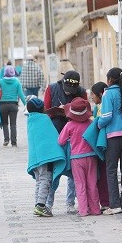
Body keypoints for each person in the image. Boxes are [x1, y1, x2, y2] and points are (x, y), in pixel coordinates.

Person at [44, 70, 87, 214]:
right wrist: (57, 111)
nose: (68, 93)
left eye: (71, 91)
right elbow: (45, 110)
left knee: (74, 173)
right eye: (66, 89)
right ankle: (48, 204)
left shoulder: (81, 92)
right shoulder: (52, 88)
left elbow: (86, 112)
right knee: (53, 171)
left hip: (74, 138)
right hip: (55, 136)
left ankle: (70, 203)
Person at [97, 67, 122, 215]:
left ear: (110, 80)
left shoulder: (108, 94)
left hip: (113, 137)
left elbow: (106, 116)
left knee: (111, 171)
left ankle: (115, 205)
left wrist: (98, 124)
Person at [58, 98, 101, 217]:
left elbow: (61, 141)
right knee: (92, 184)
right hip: (92, 156)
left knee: (80, 184)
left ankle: (83, 210)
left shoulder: (69, 125)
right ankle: (95, 209)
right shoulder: (91, 123)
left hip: (76, 158)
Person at [26, 98, 66, 217]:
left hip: (35, 157)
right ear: (40, 109)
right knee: (45, 180)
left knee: (39, 180)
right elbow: (51, 136)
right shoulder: (44, 118)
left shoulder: (30, 120)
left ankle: (37, 204)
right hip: (46, 156)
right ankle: (41, 205)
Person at [0, 67, 26, 147]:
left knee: (5, 123)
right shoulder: (17, 82)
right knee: (13, 124)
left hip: (3, 105)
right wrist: (26, 105)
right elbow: (21, 94)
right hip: (14, 105)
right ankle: (14, 142)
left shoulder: (1, 82)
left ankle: (6, 140)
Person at [90, 82, 110, 211]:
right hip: (99, 143)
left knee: (104, 174)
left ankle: (106, 201)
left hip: (104, 143)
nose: (91, 97)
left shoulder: (105, 107)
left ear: (100, 94)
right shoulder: (96, 107)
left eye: (92, 94)